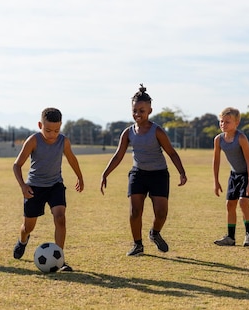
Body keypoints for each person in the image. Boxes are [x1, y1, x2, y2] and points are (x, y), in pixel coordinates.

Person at [100, 84, 187, 256]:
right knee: (135, 211)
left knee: (161, 213)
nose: (137, 114)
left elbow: (171, 152)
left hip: (159, 174)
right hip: (138, 174)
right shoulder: (128, 132)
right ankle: (137, 245)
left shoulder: (157, 131)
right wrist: (105, 173)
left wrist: (182, 172)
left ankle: (154, 233)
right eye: (134, 111)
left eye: (141, 110)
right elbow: (118, 156)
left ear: (150, 111)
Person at [12, 107, 84, 272]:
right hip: (34, 187)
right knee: (28, 227)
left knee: (60, 218)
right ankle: (23, 240)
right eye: (48, 130)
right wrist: (23, 186)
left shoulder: (63, 141)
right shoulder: (33, 140)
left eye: (56, 130)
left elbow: (72, 159)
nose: (52, 134)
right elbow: (17, 165)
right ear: (40, 125)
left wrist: (80, 177)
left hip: (55, 185)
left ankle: (60, 259)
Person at [212, 107, 249, 247]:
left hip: (248, 172)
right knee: (229, 204)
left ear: (236, 123)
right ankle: (230, 238)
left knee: (243, 202)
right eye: (221, 121)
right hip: (234, 174)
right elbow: (216, 160)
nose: (223, 124)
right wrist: (216, 181)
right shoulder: (218, 140)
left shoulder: (241, 138)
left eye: (227, 122)